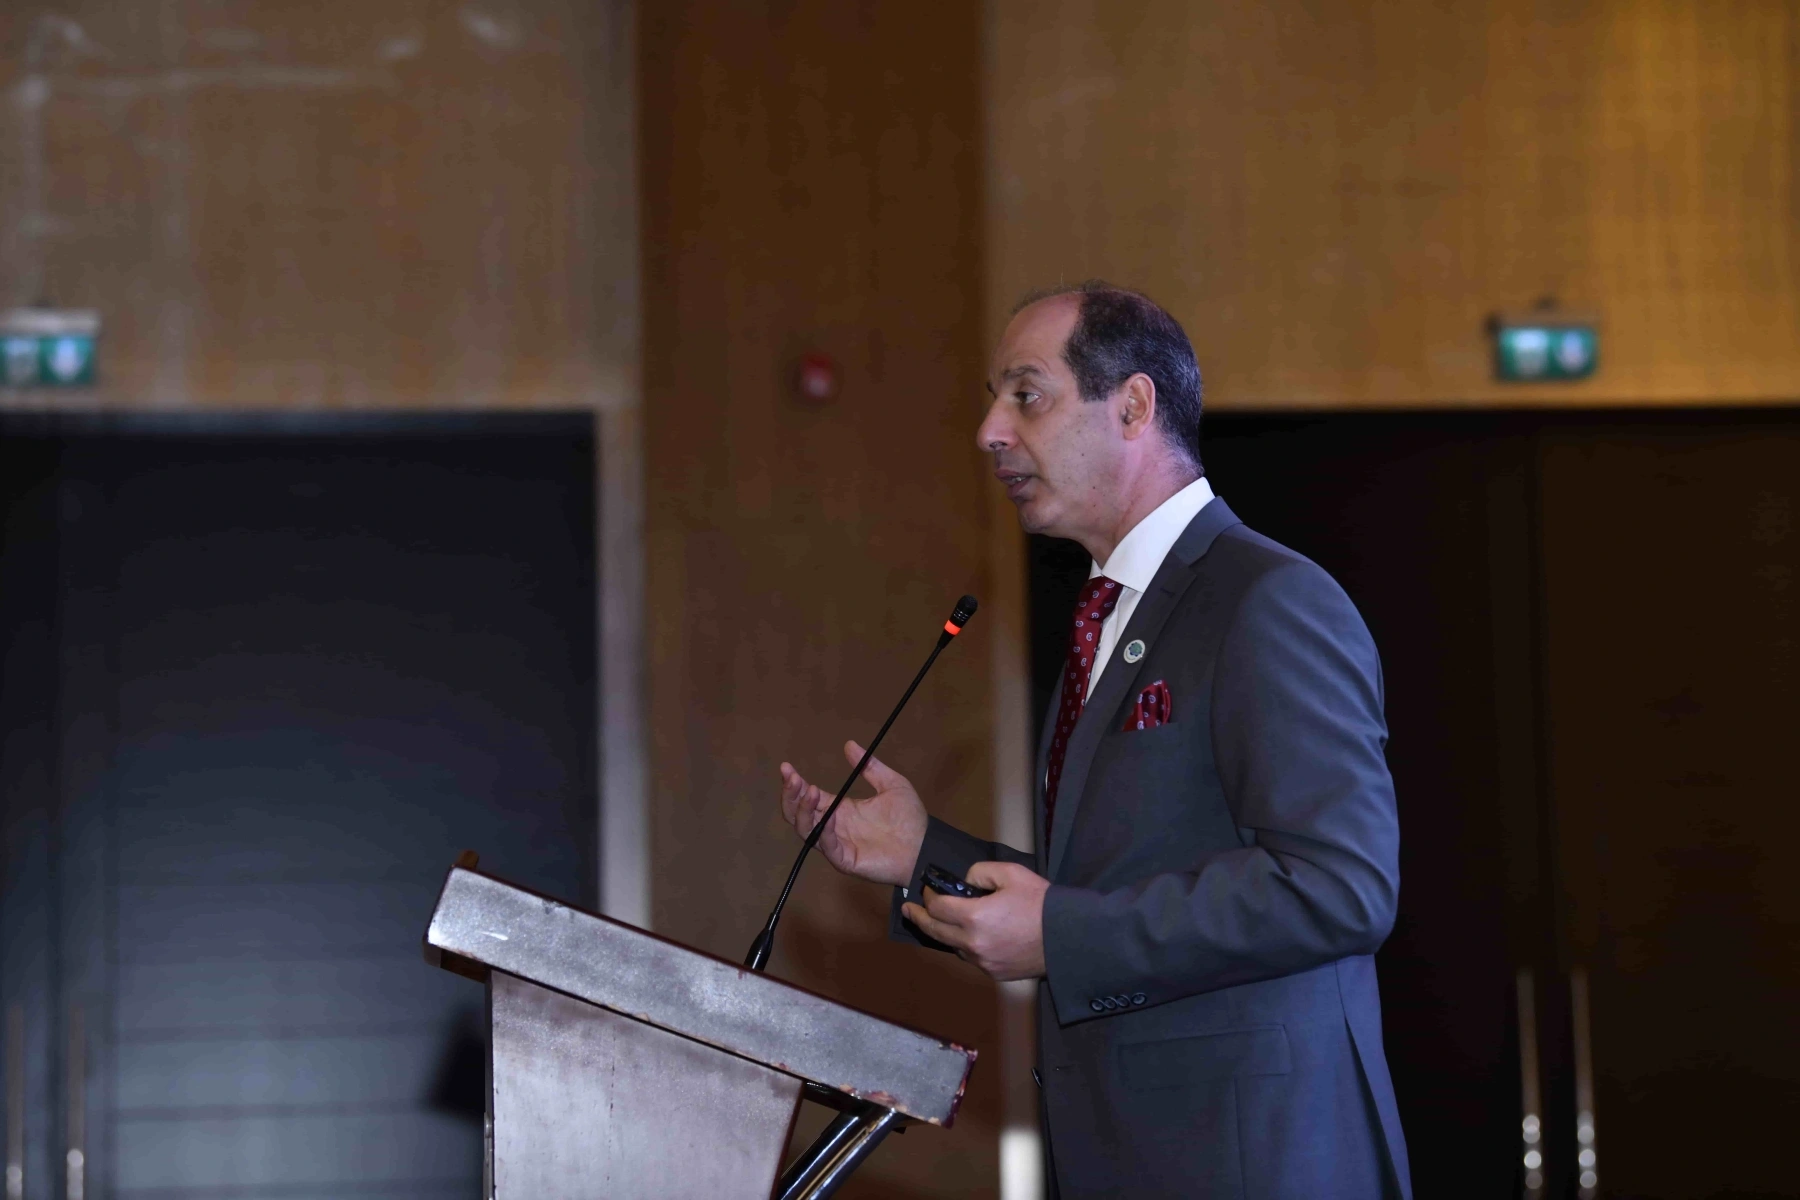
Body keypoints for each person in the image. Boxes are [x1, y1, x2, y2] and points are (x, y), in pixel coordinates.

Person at [778, 282, 1411, 1199]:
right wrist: (924, 857)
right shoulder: (1110, 614)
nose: (990, 431)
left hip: (1254, 1163)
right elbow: (1111, 886)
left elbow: (1341, 886)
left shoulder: (1267, 599)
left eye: (1027, 396)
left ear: (1134, 406)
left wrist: (1060, 934)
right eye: (995, 401)